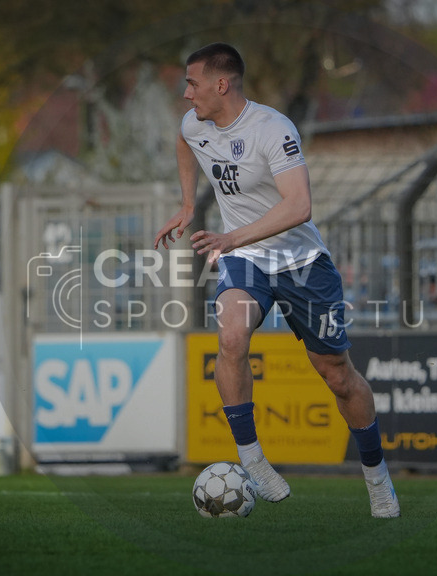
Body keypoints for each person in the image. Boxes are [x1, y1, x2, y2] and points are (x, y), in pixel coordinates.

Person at [153, 43, 399, 518]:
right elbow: (184, 142)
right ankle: (252, 460)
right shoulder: (195, 125)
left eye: (193, 84)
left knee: (338, 375)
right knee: (231, 339)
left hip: (303, 262)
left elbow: (298, 206)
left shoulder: (272, 129)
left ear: (221, 84)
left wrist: (230, 236)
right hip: (246, 258)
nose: (186, 95)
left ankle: (377, 478)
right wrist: (188, 205)